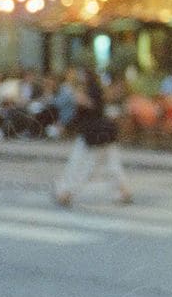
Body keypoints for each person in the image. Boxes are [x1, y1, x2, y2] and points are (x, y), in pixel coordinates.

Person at [53, 68, 132, 207]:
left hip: (92, 134)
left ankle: (66, 193)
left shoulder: (89, 92)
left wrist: (67, 123)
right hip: (101, 133)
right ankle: (123, 190)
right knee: (112, 163)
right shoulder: (93, 90)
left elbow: (90, 109)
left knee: (82, 164)